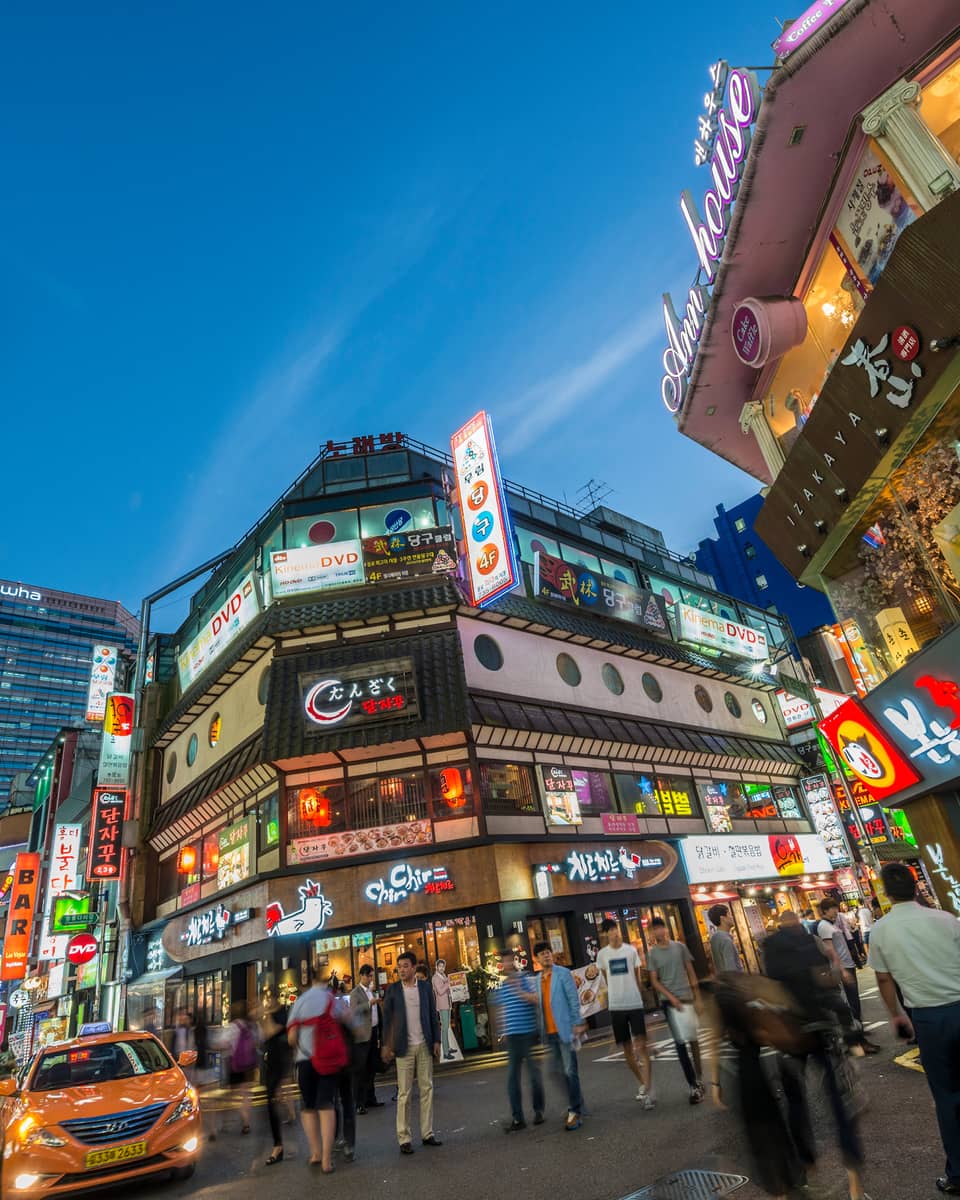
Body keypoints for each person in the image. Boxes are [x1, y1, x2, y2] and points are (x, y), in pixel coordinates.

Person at [868, 862, 960, 1197]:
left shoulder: (880, 930)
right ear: (916, 885)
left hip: (928, 1018)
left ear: (886, 893)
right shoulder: (946, 919)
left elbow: (882, 977)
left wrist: (895, 1015)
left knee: (947, 1096)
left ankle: (958, 1174)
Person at [763, 909, 868, 1200]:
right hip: (821, 1026)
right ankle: (853, 1178)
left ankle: (805, 1164)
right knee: (837, 1098)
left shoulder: (770, 949)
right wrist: (849, 1025)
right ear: (797, 923)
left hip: (791, 1031)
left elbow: (772, 990)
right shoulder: (810, 943)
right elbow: (827, 982)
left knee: (795, 1101)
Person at [288, 967, 352, 1172]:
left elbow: (291, 1038)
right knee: (326, 1105)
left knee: (308, 1107)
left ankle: (315, 1153)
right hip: (327, 1059)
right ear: (325, 981)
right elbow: (350, 1020)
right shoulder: (331, 999)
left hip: (305, 1060)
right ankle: (326, 1159)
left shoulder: (299, 1002)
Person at [382, 950, 443, 1156]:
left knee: (427, 1089)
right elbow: (387, 1020)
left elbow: (432, 1014)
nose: (401, 970)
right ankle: (404, 1138)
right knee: (404, 1094)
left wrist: (436, 1040)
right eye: (399, 967)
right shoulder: (393, 990)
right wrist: (386, 1045)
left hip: (424, 1044)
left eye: (405, 966)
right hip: (403, 1047)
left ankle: (427, 1133)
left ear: (414, 967)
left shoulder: (425, 988)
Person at [596, 919, 654, 1107]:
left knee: (641, 1047)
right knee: (628, 1050)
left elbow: (637, 978)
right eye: (609, 931)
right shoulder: (602, 955)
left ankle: (648, 1088)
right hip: (616, 1007)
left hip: (634, 1003)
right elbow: (605, 979)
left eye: (615, 928)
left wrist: (642, 1001)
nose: (614, 933)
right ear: (605, 934)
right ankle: (643, 1084)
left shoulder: (631, 950)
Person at [647, 917, 704, 1104]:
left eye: (660, 927)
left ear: (665, 928)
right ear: (651, 933)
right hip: (669, 1003)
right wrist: (671, 998)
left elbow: (691, 971)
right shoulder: (652, 954)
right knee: (680, 1044)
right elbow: (655, 981)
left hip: (687, 998)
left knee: (693, 1040)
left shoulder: (680, 947)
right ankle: (693, 1085)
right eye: (654, 929)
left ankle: (700, 1078)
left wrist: (697, 997)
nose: (658, 932)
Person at [490, 947, 544, 1131]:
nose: (505, 964)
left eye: (508, 960)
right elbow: (499, 1010)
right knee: (512, 1079)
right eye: (503, 961)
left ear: (513, 961)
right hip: (512, 1037)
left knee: (534, 1076)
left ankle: (539, 1111)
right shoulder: (502, 986)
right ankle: (518, 1118)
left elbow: (537, 999)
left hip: (529, 1034)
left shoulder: (526, 978)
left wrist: (520, 991)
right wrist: (500, 1032)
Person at [533, 943, 585, 1130]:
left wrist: (578, 1022)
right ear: (536, 959)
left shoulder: (563, 973)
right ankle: (577, 1101)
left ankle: (575, 1111)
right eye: (542, 954)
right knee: (555, 1071)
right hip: (549, 1033)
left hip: (565, 1030)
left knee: (570, 1070)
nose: (546, 956)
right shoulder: (538, 979)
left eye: (548, 952)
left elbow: (573, 998)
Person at [817, 899, 879, 1054]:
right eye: (832, 909)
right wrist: (842, 970)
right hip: (843, 968)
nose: (835, 911)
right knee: (851, 1007)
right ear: (825, 910)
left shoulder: (831, 924)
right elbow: (830, 951)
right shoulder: (824, 926)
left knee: (854, 1005)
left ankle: (858, 1039)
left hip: (848, 965)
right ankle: (858, 1042)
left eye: (835, 908)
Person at [261, 989, 292, 1166]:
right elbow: (264, 1035)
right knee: (270, 1103)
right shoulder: (270, 1014)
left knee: (272, 1101)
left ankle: (278, 1146)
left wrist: (263, 1015)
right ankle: (277, 1145)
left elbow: (271, 1031)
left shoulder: (282, 1013)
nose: (267, 1002)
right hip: (271, 1063)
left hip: (281, 1062)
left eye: (269, 998)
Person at [350, 965, 383, 1112]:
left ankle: (371, 1098)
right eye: (369, 976)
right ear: (362, 975)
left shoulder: (370, 991)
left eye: (371, 976)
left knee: (371, 1068)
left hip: (373, 1032)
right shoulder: (355, 993)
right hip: (362, 1036)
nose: (371, 979)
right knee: (360, 1071)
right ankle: (359, 1103)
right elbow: (353, 1011)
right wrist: (369, 1003)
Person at [224, 1001, 258, 1134]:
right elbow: (258, 1040)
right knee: (246, 1095)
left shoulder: (233, 1026)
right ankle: (246, 1123)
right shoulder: (252, 1025)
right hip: (249, 1065)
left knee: (232, 1094)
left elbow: (224, 1043)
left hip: (236, 1065)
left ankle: (228, 1121)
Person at [707, 905, 743, 973]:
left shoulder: (715, 938)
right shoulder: (726, 940)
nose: (732, 917)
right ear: (723, 918)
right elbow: (732, 970)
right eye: (729, 914)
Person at [432, 959, 455, 1060]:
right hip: (442, 1005)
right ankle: (445, 1052)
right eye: (440, 966)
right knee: (444, 1028)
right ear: (436, 967)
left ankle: (448, 1048)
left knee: (447, 1027)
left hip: (447, 1004)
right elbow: (440, 991)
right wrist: (448, 983)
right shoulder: (436, 978)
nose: (442, 968)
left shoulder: (443, 976)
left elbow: (447, 989)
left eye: (443, 966)